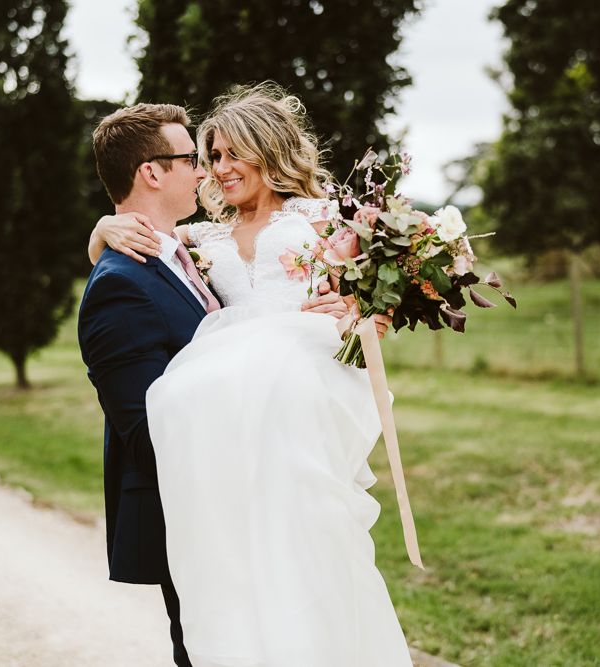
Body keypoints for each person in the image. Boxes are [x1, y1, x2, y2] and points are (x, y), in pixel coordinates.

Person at [88, 84, 413, 666]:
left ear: (270, 151)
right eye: (209, 156)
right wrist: (99, 232)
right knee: (258, 580)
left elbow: (380, 288)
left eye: (233, 153)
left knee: (314, 553)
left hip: (301, 403)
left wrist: (364, 313)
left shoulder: (325, 222)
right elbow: (140, 234)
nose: (219, 168)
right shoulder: (205, 239)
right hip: (235, 423)